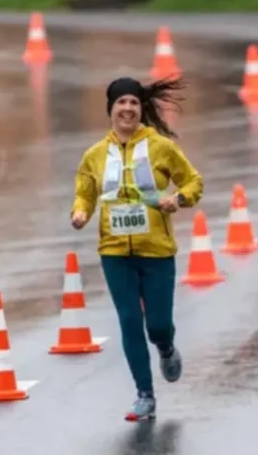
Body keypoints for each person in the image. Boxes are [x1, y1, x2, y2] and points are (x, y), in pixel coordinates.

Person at [71, 76, 204, 422]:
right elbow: (85, 191)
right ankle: (144, 394)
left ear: (141, 108)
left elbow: (193, 181)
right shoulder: (95, 155)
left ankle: (166, 346)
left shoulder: (161, 147)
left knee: (157, 325)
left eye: (133, 102)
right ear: (111, 110)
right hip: (114, 252)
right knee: (130, 322)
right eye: (121, 103)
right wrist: (81, 212)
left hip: (157, 251)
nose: (127, 109)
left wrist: (179, 198)